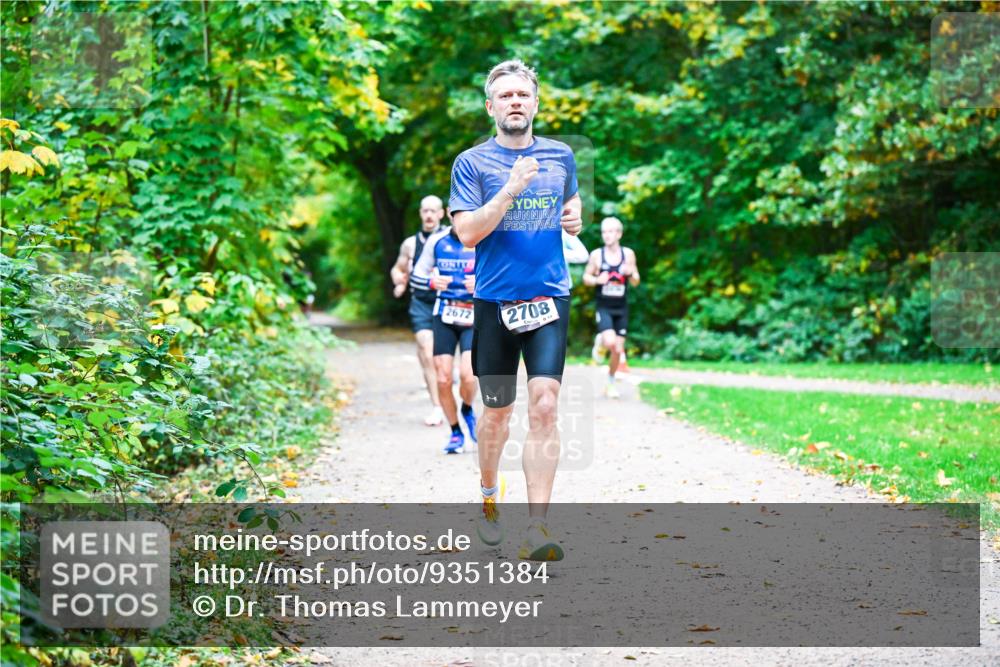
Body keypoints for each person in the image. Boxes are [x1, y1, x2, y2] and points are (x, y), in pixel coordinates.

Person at [450, 59, 582, 562]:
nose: (514, 102)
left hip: (549, 296)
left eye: (522, 95)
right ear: (491, 106)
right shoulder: (472, 163)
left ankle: (538, 527)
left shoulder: (560, 155)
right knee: (496, 416)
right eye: (504, 96)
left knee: (545, 405)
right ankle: (487, 499)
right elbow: (467, 233)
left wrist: (573, 218)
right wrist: (510, 189)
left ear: (535, 103)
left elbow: (571, 211)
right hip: (494, 302)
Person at [411, 225, 478, 454]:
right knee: (443, 378)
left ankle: (467, 409)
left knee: (468, 377)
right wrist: (431, 283)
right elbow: (416, 276)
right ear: (450, 213)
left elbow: (505, 274)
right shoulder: (437, 242)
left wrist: (481, 283)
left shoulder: (484, 236)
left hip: (473, 315)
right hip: (445, 315)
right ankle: (456, 431)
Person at [390, 195, 446, 426]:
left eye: (434, 211)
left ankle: (449, 388)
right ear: (421, 214)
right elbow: (397, 268)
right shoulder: (410, 244)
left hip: (449, 302)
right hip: (421, 302)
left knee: (445, 360)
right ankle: (437, 407)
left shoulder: (450, 237)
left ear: (441, 214)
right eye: (425, 211)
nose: (429, 215)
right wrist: (399, 282)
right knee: (426, 349)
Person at [583, 216, 640, 398]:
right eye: (604, 232)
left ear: (619, 234)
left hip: (621, 307)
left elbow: (636, 281)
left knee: (617, 350)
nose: (606, 235)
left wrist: (630, 273)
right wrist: (597, 279)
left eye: (610, 231)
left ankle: (610, 381)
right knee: (610, 342)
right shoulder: (597, 255)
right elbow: (586, 278)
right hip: (604, 306)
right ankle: (601, 343)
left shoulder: (628, 254)